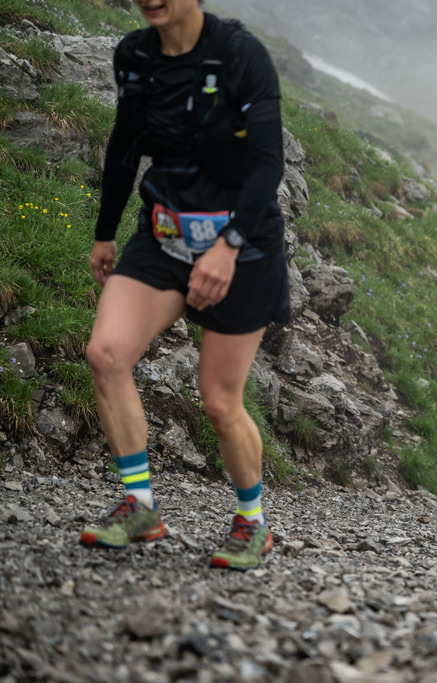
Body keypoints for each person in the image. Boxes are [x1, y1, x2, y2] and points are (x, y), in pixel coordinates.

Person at [79, 0, 289, 571]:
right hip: (165, 235)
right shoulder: (135, 55)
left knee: (220, 402)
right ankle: (140, 505)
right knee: (106, 353)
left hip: (243, 246)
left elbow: (269, 163)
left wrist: (229, 245)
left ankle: (252, 522)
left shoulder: (241, 55)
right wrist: (105, 232)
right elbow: (125, 146)